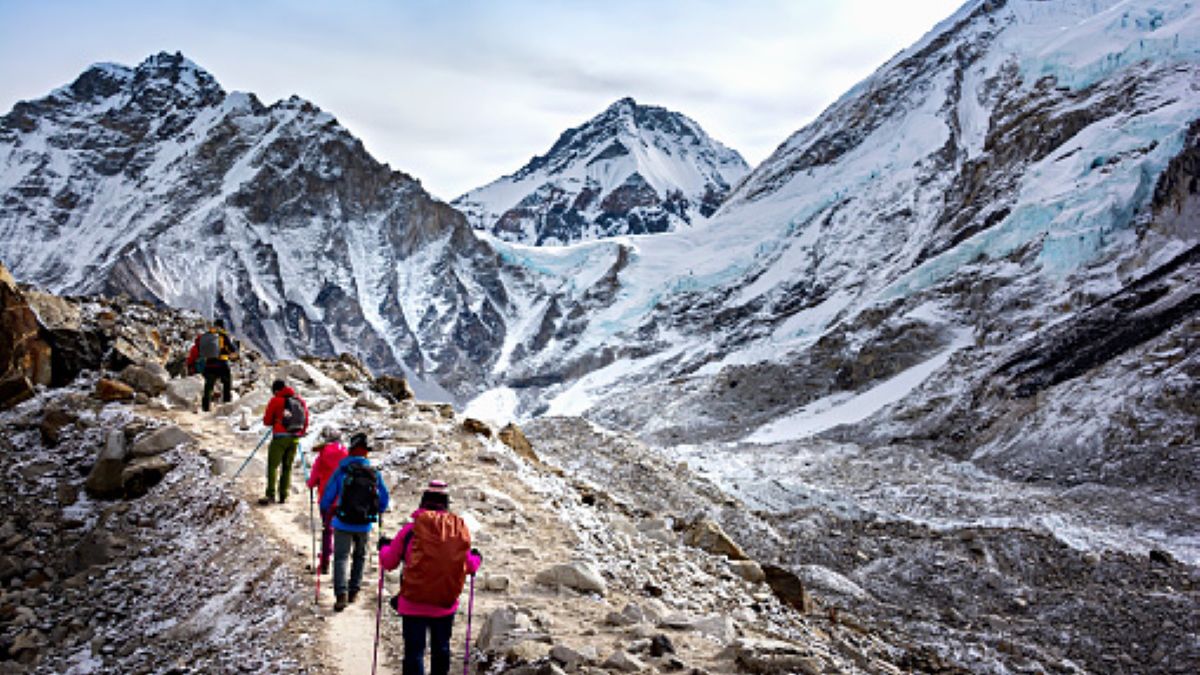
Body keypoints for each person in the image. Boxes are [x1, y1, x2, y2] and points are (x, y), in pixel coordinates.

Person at [379, 480, 481, 675]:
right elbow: (468, 566)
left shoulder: (410, 530)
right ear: (446, 503)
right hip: (444, 604)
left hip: (412, 602)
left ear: (423, 502)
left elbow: (389, 563)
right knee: (441, 650)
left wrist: (383, 547)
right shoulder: (457, 532)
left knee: (414, 653)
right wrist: (477, 558)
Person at [320, 432, 389, 611]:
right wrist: (378, 510)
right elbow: (384, 497)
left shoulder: (342, 470)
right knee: (360, 556)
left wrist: (326, 509)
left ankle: (340, 594)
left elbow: (329, 494)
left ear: (350, 451)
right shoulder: (374, 473)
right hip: (364, 522)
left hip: (343, 521)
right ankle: (354, 591)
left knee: (341, 557)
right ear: (366, 453)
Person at [306, 427, 348, 575]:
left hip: (326, 498)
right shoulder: (347, 454)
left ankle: (325, 563)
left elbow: (312, 481)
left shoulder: (322, 454)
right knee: (342, 530)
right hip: (345, 498)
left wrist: (310, 483)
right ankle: (342, 563)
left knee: (327, 530)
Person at [260, 379, 309, 505]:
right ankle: (283, 495)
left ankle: (270, 494)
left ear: (276, 390)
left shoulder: (276, 400)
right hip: (294, 438)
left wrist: (277, 421)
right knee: (287, 467)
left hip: (280, 438)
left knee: (273, 466)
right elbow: (306, 420)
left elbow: (267, 421)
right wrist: (300, 433)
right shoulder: (299, 401)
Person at [188, 318, 239, 412]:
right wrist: (233, 354)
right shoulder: (223, 336)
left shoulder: (207, 335)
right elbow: (231, 349)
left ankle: (205, 407)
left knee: (208, 386)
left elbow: (199, 349)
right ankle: (226, 405)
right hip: (222, 364)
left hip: (209, 364)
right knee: (227, 384)